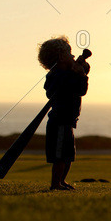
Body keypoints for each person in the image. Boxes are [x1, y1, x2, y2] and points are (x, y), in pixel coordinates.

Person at [38, 36, 89, 191]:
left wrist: (81, 71)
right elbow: (77, 89)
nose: (73, 56)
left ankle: (62, 181)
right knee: (59, 156)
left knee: (68, 155)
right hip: (59, 121)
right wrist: (79, 74)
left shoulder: (67, 72)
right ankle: (55, 183)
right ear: (61, 57)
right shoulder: (56, 76)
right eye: (69, 53)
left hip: (68, 121)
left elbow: (81, 86)